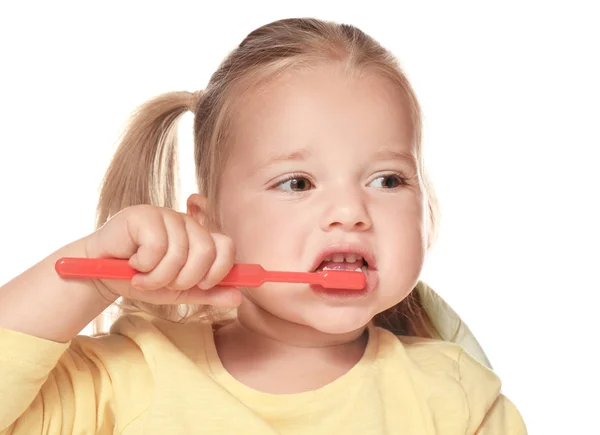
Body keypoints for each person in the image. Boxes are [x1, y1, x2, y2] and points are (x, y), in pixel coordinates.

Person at [0, 17, 527, 434]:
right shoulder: (131, 375)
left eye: (388, 180)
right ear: (212, 224)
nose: (352, 211)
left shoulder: (455, 396)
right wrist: (88, 279)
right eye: (297, 183)